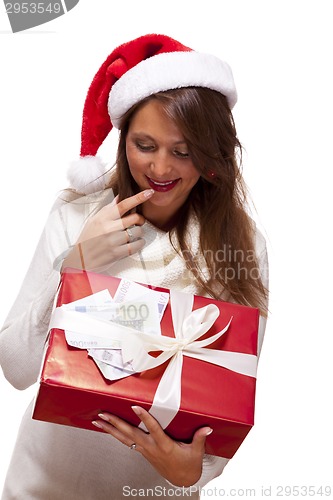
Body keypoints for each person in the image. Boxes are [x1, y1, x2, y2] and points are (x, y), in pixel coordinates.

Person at [0, 34, 269, 499]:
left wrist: (194, 473)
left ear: (210, 155)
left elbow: (230, 402)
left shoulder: (242, 246)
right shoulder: (76, 216)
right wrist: (76, 264)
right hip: (43, 485)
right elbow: (16, 367)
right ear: (123, 138)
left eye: (183, 151)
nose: (161, 167)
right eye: (145, 144)